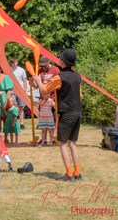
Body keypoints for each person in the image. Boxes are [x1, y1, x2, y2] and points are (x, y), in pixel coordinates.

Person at [32, 49, 82, 182]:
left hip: (66, 114)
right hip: (77, 112)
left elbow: (44, 90)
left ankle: (69, 174)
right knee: (73, 143)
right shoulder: (77, 76)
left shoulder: (59, 77)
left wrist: (38, 80)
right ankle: (78, 172)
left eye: (59, 58)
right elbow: (80, 95)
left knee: (63, 143)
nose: (58, 59)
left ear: (63, 61)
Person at [10, 57, 28, 130]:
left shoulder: (22, 70)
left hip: (20, 91)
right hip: (11, 91)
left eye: (14, 62)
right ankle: (12, 123)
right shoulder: (9, 69)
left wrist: (24, 90)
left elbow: (24, 81)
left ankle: (21, 123)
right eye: (12, 62)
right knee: (12, 107)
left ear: (17, 62)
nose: (13, 64)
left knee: (21, 107)